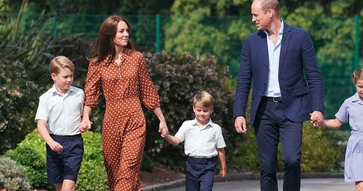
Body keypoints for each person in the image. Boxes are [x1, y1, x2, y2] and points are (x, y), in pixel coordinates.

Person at [233, 0, 325, 191]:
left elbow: (314, 75)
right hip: (263, 110)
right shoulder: (251, 42)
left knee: (292, 159)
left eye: (256, 14)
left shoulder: (300, 37)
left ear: (270, 12)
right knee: (267, 166)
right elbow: (243, 79)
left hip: (292, 108)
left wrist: (317, 108)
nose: (253, 19)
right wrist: (239, 113)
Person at [79, 15, 168, 191]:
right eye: (121, 31)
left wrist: (161, 119)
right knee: (114, 174)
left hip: (135, 119)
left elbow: (148, 89)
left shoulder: (137, 58)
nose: (126, 34)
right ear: (110, 34)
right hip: (111, 122)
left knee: (128, 170)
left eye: (127, 30)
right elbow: (91, 94)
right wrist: (85, 117)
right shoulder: (97, 63)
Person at [35, 56, 85, 191]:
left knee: (68, 186)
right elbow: (41, 125)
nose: (69, 80)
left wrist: (85, 121)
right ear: (54, 76)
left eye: (71, 76)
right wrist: (51, 142)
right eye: (65, 77)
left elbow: (82, 115)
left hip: (74, 143)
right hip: (54, 143)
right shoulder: (45, 98)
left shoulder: (79, 94)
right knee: (60, 187)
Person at [163, 91, 227, 191]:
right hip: (191, 165)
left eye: (205, 111)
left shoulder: (215, 128)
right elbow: (176, 141)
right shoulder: (187, 125)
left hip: (208, 166)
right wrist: (167, 136)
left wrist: (223, 167)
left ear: (211, 110)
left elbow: (220, 149)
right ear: (194, 108)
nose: (201, 113)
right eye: (199, 110)